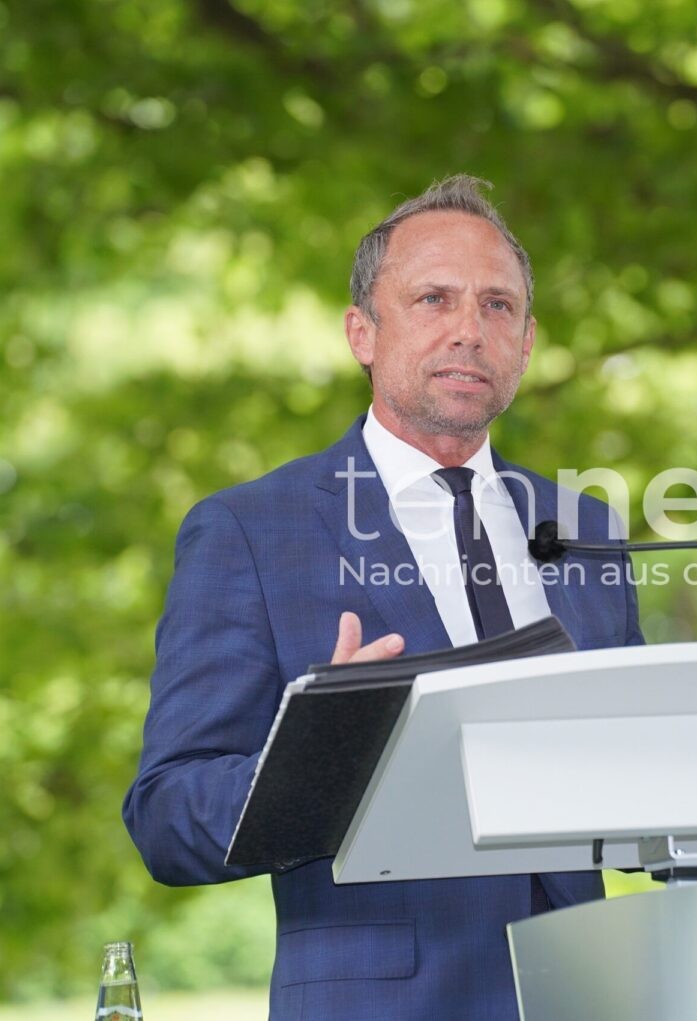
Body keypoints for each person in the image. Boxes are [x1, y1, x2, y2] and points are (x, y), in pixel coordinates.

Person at [123, 175, 643, 1020]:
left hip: (586, 993)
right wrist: (321, 751)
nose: (470, 330)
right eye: (433, 299)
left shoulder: (581, 526)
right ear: (363, 332)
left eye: (498, 307)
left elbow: (648, 787)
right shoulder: (251, 531)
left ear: (529, 340)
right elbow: (166, 816)